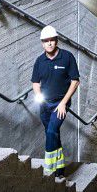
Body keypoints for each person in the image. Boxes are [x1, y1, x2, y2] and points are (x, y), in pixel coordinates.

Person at [30, 25, 80, 177]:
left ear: (57, 41)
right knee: (52, 133)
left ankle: (50, 169)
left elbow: (75, 81)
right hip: (45, 105)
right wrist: (39, 97)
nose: (49, 43)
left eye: (52, 40)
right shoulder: (40, 61)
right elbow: (35, 83)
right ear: (42, 43)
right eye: (46, 41)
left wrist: (64, 103)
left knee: (52, 131)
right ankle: (60, 169)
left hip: (60, 104)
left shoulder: (67, 57)